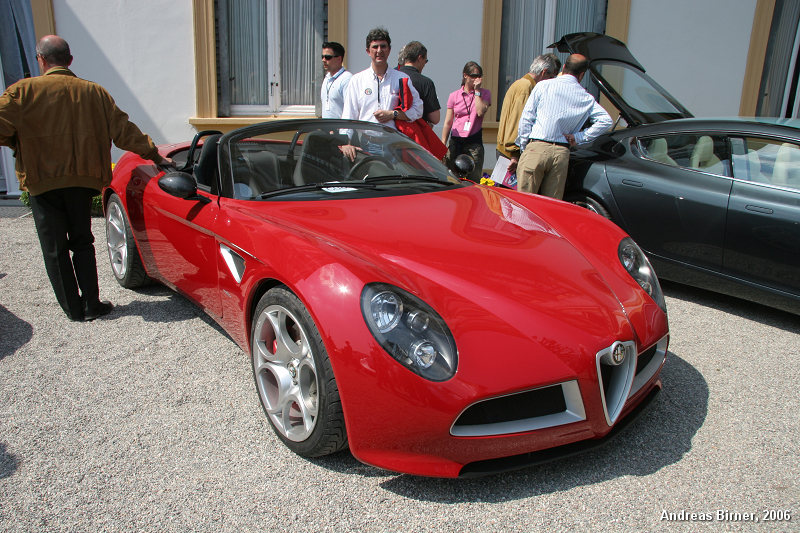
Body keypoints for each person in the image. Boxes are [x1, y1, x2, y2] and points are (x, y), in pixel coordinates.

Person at [0, 35, 171, 322]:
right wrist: (155, 156)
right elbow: (124, 131)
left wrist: (17, 141)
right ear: (70, 60)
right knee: (82, 241)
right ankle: (92, 303)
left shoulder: (22, 92)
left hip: (43, 182)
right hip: (83, 181)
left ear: (40, 59)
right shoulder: (95, 93)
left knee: (54, 249)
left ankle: (73, 309)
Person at [516, 53, 612, 199]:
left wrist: (525, 146)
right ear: (581, 75)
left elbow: (526, 119)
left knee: (523, 203)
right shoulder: (585, 97)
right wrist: (579, 137)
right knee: (551, 206)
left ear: (565, 67)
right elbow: (606, 121)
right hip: (561, 152)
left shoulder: (543, 85)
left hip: (537, 146)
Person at [340, 28, 423, 159]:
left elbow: (418, 109)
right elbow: (348, 115)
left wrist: (394, 114)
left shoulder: (401, 78)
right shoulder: (357, 80)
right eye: (375, 47)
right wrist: (345, 143)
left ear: (389, 50)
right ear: (368, 51)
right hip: (368, 145)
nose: (379, 51)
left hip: (396, 145)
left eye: (383, 46)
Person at [495, 54, 561, 178]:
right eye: (551, 77)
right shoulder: (526, 87)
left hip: (506, 150)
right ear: (544, 72)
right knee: (508, 195)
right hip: (509, 153)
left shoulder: (521, 83)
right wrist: (515, 153)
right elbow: (518, 121)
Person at [441, 61, 491, 181]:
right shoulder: (454, 96)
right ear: (465, 76)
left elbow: (480, 111)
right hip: (456, 141)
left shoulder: (485, 93)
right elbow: (448, 122)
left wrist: (477, 91)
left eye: (479, 76)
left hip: (473, 143)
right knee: (451, 177)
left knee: (473, 178)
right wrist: (443, 143)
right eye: (474, 76)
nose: (477, 79)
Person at [397, 41, 441, 125]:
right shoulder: (426, 83)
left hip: (391, 133)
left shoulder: (391, 77)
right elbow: (435, 118)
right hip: (415, 134)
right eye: (426, 60)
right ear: (420, 58)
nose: (425, 64)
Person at [320, 41, 353, 119]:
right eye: (322, 57)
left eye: (327, 57)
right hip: (326, 129)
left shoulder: (347, 79)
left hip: (341, 129)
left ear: (339, 59)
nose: (323, 60)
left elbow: (351, 110)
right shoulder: (327, 78)